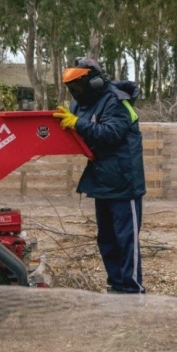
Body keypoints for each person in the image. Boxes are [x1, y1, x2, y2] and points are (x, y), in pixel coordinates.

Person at [53, 58, 146, 294]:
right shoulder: (81, 105)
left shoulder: (117, 101)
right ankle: (116, 285)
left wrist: (78, 124)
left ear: (94, 82)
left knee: (126, 240)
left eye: (78, 86)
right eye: (72, 87)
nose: (75, 92)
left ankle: (132, 289)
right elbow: (77, 129)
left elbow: (111, 133)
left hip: (124, 182)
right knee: (106, 239)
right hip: (102, 181)